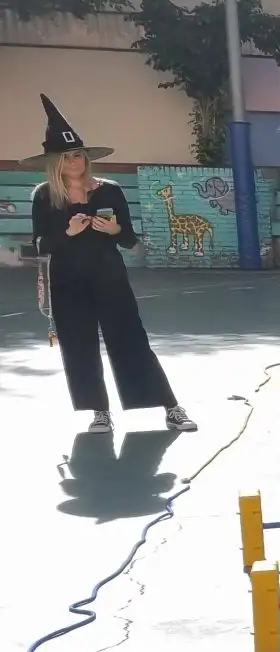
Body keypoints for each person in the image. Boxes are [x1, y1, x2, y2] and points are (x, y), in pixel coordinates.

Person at [25, 96, 194, 435]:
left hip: (109, 276)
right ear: (55, 162)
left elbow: (129, 239)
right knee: (78, 345)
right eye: (66, 156)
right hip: (67, 281)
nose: (74, 161)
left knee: (130, 338)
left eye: (78, 154)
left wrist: (115, 230)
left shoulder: (110, 191)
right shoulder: (44, 196)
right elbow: (38, 245)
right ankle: (99, 411)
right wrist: (67, 232)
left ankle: (171, 407)